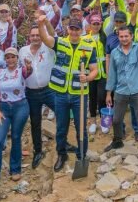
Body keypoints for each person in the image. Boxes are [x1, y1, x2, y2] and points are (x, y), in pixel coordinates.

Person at [37, 12, 98, 172]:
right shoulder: (61, 43)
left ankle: (81, 155)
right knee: (61, 127)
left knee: (81, 128)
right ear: (68, 29)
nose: (74, 32)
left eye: (77, 29)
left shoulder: (89, 48)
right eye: (72, 28)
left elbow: (95, 70)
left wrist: (89, 78)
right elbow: (45, 38)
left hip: (79, 94)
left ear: (81, 30)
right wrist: (40, 24)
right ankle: (61, 154)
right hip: (61, 94)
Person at [105, 24, 138, 169]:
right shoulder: (114, 52)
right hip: (121, 91)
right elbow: (112, 73)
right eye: (121, 36)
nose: (124, 39)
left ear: (131, 36)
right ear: (118, 37)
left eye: (127, 36)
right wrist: (109, 92)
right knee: (116, 120)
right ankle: (118, 140)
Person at [0, 48, 33, 185]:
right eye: (7, 57)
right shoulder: (0, 72)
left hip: (20, 106)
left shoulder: (21, 70)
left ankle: (15, 169)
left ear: (17, 58)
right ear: (5, 59)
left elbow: (28, 72)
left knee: (16, 137)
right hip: (3, 109)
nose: (10, 60)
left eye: (13, 57)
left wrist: (29, 66)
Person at [19, 25, 56, 169]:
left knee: (61, 113)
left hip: (49, 89)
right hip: (31, 92)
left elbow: (53, 34)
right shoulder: (22, 51)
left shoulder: (49, 48)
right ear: (29, 36)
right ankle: (38, 151)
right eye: (32, 35)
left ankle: (63, 143)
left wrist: (45, 23)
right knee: (35, 122)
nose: (35, 37)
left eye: (38, 35)